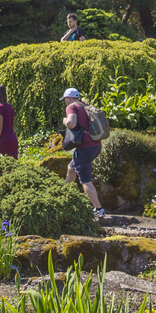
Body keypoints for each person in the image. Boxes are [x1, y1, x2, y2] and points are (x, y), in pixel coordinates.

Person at [60, 87, 105, 219]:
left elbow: (72, 123)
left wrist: (65, 121)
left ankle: (99, 209)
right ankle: (64, 197)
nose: (65, 102)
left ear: (68, 98)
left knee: (85, 179)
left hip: (85, 147)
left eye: (65, 100)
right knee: (71, 168)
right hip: (95, 145)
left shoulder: (72, 107)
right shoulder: (86, 106)